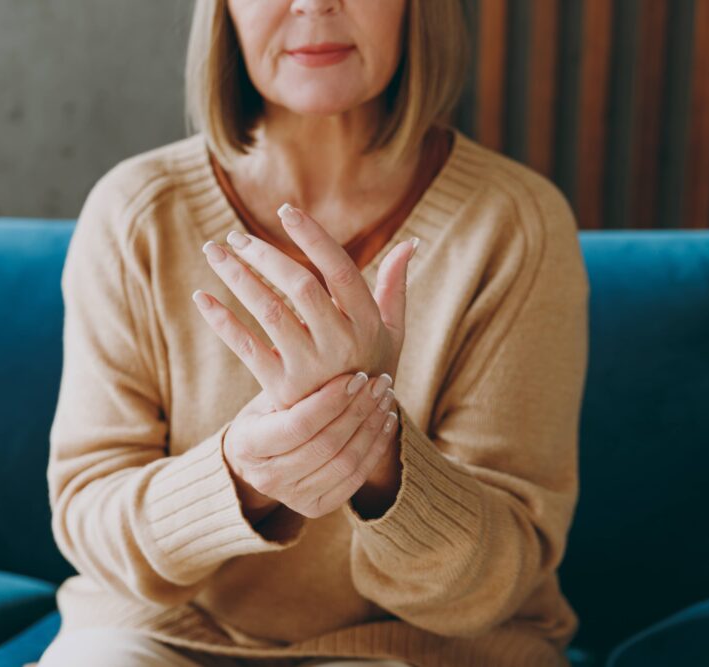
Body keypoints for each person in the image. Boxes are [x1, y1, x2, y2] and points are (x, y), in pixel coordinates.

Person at [37, 0, 589, 665]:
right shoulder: (134, 213)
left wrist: (374, 443)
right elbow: (91, 518)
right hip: (163, 634)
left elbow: (491, 582)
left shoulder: (516, 225)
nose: (314, 4)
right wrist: (242, 472)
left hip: (429, 649)